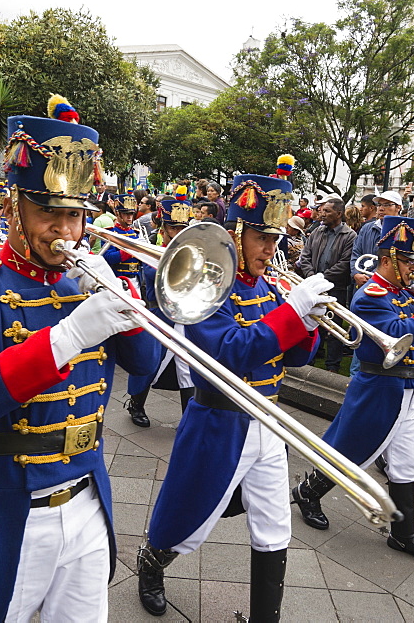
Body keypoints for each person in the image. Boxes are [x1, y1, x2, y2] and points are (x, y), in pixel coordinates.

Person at [0, 103, 157, 620]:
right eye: (48, 211)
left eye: (74, 213)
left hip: (88, 496)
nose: (65, 229)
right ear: (14, 209)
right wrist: (69, 335)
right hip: (8, 509)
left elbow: (145, 364)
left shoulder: (86, 282)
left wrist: (123, 302)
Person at [138, 170, 325, 620]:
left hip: (269, 420)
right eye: (263, 236)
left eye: (277, 238)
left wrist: (309, 323)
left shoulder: (266, 284)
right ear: (237, 233)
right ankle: (151, 561)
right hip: (219, 422)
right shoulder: (206, 284)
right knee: (188, 519)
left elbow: (294, 357)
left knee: (275, 527)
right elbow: (228, 352)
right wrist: (291, 315)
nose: (271, 249)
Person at [292, 216, 414, 566]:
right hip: (379, 388)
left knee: (407, 464)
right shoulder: (371, 295)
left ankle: (403, 533)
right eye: (409, 262)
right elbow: (392, 335)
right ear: (387, 260)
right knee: (350, 452)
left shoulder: (403, 292)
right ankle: (307, 492)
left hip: (408, 387)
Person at [124, 198, 197, 426]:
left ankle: (189, 418)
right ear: (162, 228)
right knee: (149, 362)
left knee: (188, 367)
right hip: (161, 316)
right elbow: (154, 284)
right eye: (173, 227)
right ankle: (136, 404)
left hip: (186, 318)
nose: (177, 233)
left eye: (181, 228)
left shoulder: (192, 252)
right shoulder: (153, 252)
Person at [297, 197, 356, 372]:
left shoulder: (350, 236)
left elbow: (345, 263)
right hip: (313, 288)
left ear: (339, 214)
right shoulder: (316, 232)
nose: (322, 214)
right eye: (322, 210)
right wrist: (311, 276)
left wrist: (320, 278)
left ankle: (332, 366)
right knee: (312, 323)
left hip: (335, 289)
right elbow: (305, 256)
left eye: (327, 211)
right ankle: (310, 359)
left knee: (335, 328)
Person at [350, 190, 402, 287]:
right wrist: (356, 273)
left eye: (386, 205)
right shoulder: (366, 228)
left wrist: (373, 277)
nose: (381, 208)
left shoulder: (403, 231)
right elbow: (356, 252)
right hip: (360, 283)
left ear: (398, 207)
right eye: (379, 205)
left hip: (385, 285)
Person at [102, 194, 143, 292]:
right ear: (117, 213)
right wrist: (132, 250)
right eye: (126, 214)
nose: (129, 217)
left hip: (136, 278)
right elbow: (108, 257)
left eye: (131, 214)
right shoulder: (110, 233)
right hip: (119, 279)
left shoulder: (136, 233)